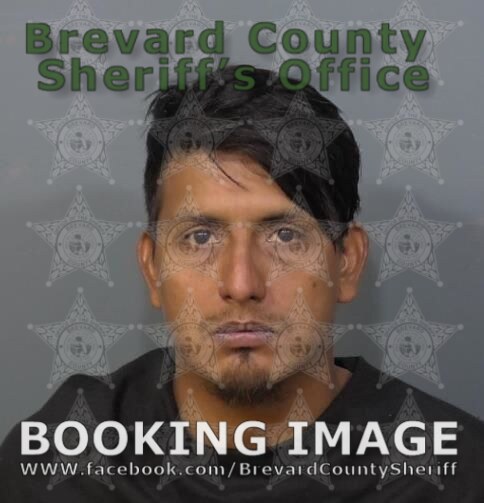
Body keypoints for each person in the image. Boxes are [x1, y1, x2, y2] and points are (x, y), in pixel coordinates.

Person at [1, 66, 483, 502]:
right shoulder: (62, 464)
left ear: (347, 262)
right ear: (152, 268)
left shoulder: (454, 473)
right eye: (200, 237)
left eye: (286, 236)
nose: (241, 283)